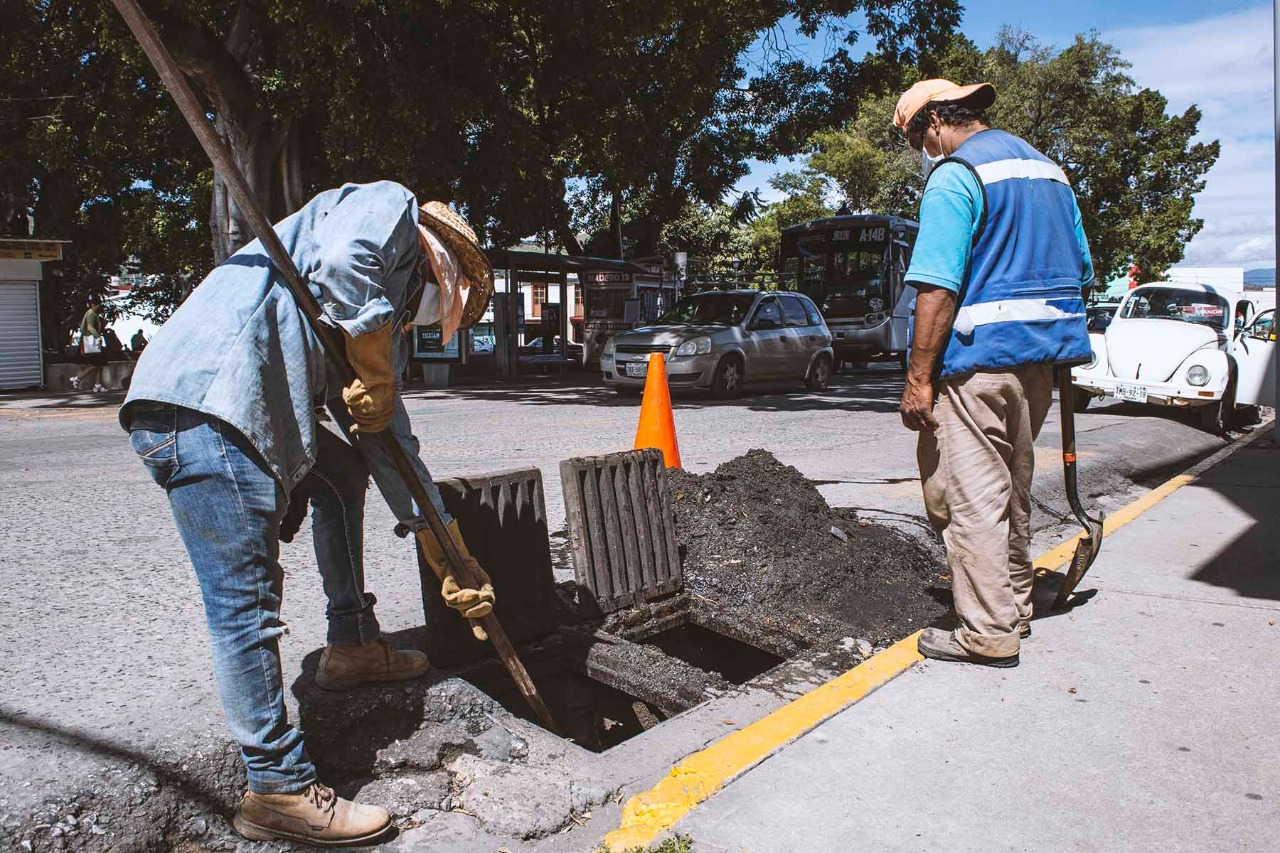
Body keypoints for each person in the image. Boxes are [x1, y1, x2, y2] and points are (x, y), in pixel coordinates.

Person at [121, 181, 494, 846]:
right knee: (245, 604)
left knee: (342, 471)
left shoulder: (370, 316)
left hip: (227, 400)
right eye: (442, 308)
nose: (419, 321)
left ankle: (350, 643)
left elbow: (384, 438)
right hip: (212, 402)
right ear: (449, 270)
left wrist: (446, 545)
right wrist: (374, 358)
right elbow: (354, 257)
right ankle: (277, 787)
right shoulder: (395, 211)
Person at [893, 80, 1093, 668]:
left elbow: (937, 284)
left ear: (933, 123)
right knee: (1014, 488)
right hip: (1040, 361)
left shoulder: (958, 176)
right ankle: (1016, 606)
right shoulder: (1050, 174)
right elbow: (1080, 268)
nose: (921, 152)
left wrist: (918, 378)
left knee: (970, 499)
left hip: (976, 363)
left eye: (914, 139)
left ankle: (986, 632)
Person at [70, 298, 108, 393]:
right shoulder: (91, 313)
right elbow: (90, 327)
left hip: (91, 342)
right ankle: (78, 378)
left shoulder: (90, 313)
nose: (99, 307)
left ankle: (97, 384)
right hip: (91, 342)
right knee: (95, 364)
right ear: (93, 305)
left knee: (99, 364)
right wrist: (97, 336)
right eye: (98, 305)